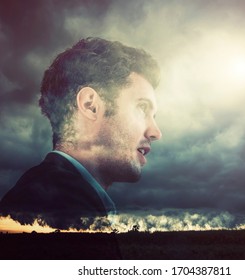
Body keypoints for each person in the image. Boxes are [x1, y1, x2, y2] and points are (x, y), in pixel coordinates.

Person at [0, 37, 162, 232]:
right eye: (142, 108)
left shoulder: (45, 194)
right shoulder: (57, 210)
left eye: (154, 116)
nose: (156, 132)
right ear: (90, 105)